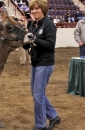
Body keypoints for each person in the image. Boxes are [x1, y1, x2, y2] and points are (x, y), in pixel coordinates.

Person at [23, 0, 61, 129]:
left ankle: (40, 125)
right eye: (32, 9)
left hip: (45, 63)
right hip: (35, 62)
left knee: (38, 95)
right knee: (37, 94)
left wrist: (34, 39)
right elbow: (28, 46)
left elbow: (50, 45)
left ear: (43, 9)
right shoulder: (34, 25)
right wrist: (25, 41)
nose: (34, 11)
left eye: (37, 9)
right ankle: (54, 116)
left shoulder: (48, 24)